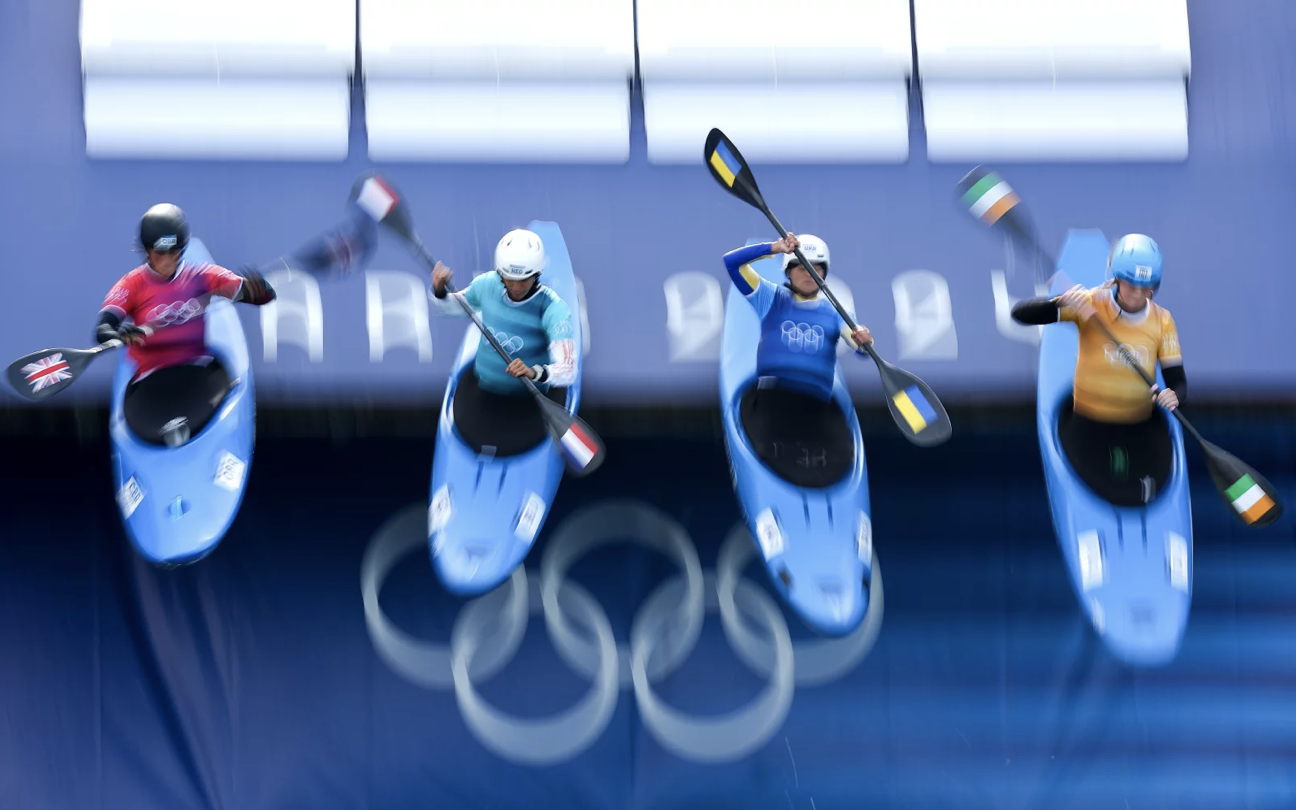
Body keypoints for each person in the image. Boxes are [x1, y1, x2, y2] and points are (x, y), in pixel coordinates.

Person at [1011, 233, 1186, 506]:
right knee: (1109, 476)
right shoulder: (1090, 304)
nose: (1138, 294)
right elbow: (1020, 314)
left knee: (1139, 482)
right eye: (1131, 285)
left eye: (1147, 287)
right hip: (1087, 425)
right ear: (1116, 279)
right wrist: (1060, 303)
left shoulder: (1163, 322)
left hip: (1138, 427)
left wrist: (1173, 396)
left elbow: (1178, 382)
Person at [96, 203, 277, 446]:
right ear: (146, 251)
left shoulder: (203, 277)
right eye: (159, 254)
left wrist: (257, 290)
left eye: (174, 252)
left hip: (196, 375)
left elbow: (262, 295)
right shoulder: (131, 285)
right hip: (151, 384)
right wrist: (119, 334)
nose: (167, 261)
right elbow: (103, 330)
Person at [721, 232, 873, 486]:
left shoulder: (837, 313)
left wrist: (865, 341)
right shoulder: (770, 298)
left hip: (814, 408)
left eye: (816, 268)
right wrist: (774, 247)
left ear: (824, 273)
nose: (808, 274)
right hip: (773, 401)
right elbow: (731, 262)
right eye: (801, 267)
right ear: (788, 272)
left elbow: (861, 348)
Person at [428, 228, 576, 454]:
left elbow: (567, 370)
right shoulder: (487, 285)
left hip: (530, 404)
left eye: (524, 280)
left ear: (536, 274)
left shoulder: (553, 309)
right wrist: (439, 290)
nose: (516, 287)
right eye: (509, 279)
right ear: (500, 273)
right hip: (484, 394)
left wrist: (533, 372)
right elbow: (449, 307)